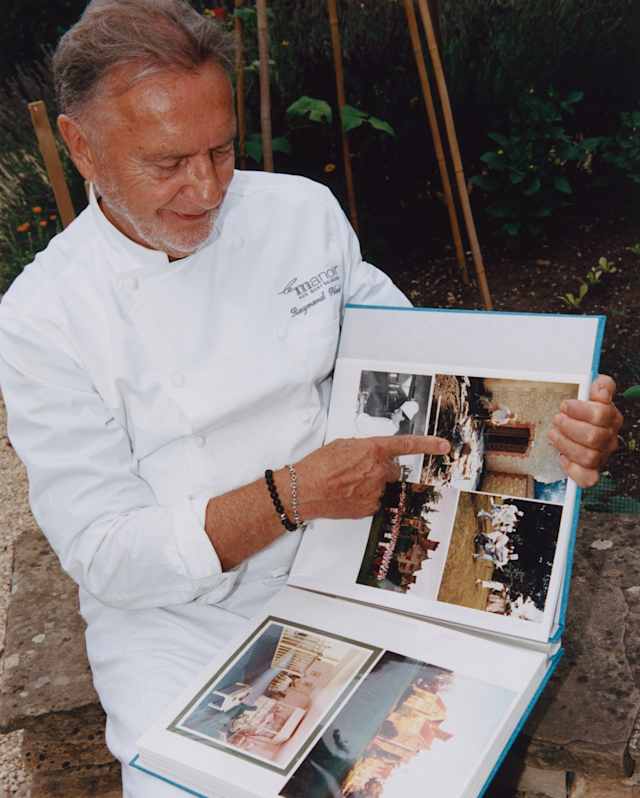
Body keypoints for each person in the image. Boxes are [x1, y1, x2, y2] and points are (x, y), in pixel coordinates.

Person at [0, 1, 623, 795]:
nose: (206, 188)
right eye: (166, 163)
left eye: (222, 150)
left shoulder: (300, 212)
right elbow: (109, 556)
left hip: (354, 561)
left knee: (437, 760)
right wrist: (288, 496)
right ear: (80, 145)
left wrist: (556, 422)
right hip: (179, 622)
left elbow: (425, 368)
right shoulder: (41, 316)